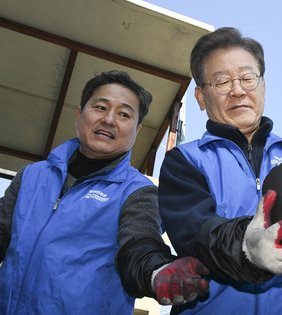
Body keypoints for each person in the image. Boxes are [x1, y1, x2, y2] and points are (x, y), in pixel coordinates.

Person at [158, 27, 282, 314]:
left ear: (263, 86)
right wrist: (250, 247)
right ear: (201, 97)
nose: (238, 90)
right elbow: (196, 235)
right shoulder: (184, 161)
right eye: (222, 81)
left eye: (247, 78)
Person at [0, 70, 209, 314]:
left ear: (137, 130)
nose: (109, 120)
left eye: (124, 114)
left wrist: (156, 270)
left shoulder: (138, 192)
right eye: (100, 107)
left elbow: (139, 245)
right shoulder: (31, 176)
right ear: (79, 115)